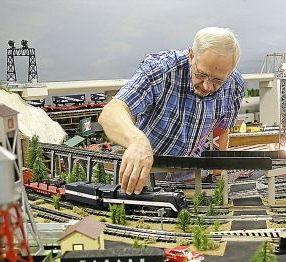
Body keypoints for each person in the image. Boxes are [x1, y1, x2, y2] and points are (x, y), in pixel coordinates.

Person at [99, 27, 244, 195]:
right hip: (148, 168)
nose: (206, 86)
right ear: (191, 56)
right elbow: (111, 112)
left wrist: (218, 170)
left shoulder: (234, 85)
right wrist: (137, 141)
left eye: (217, 81)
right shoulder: (160, 69)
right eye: (201, 75)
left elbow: (221, 129)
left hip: (192, 171)